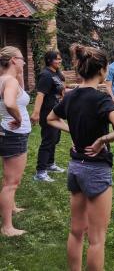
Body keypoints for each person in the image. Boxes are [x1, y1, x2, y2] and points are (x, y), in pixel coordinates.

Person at [47, 44, 114, 271]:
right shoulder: (102, 100)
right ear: (103, 70)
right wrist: (102, 140)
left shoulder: (71, 96)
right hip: (95, 171)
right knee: (96, 239)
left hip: (75, 168)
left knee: (76, 231)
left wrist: (71, 131)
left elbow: (50, 118)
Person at [0, 46, 31, 236]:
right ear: (13, 60)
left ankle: (11, 207)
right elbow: (10, 103)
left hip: (7, 133)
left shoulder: (5, 79)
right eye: (21, 59)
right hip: (14, 135)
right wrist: (19, 119)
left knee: (8, 179)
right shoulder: (9, 81)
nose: (24, 62)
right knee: (11, 182)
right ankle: (7, 227)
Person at [31, 50, 65, 182]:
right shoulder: (45, 75)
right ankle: (40, 172)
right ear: (49, 60)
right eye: (57, 59)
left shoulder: (56, 73)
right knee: (48, 140)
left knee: (54, 139)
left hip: (55, 112)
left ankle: (50, 164)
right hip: (47, 113)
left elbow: (60, 90)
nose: (59, 61)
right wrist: (36, 113)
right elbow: (40, 95)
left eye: (60, 59)